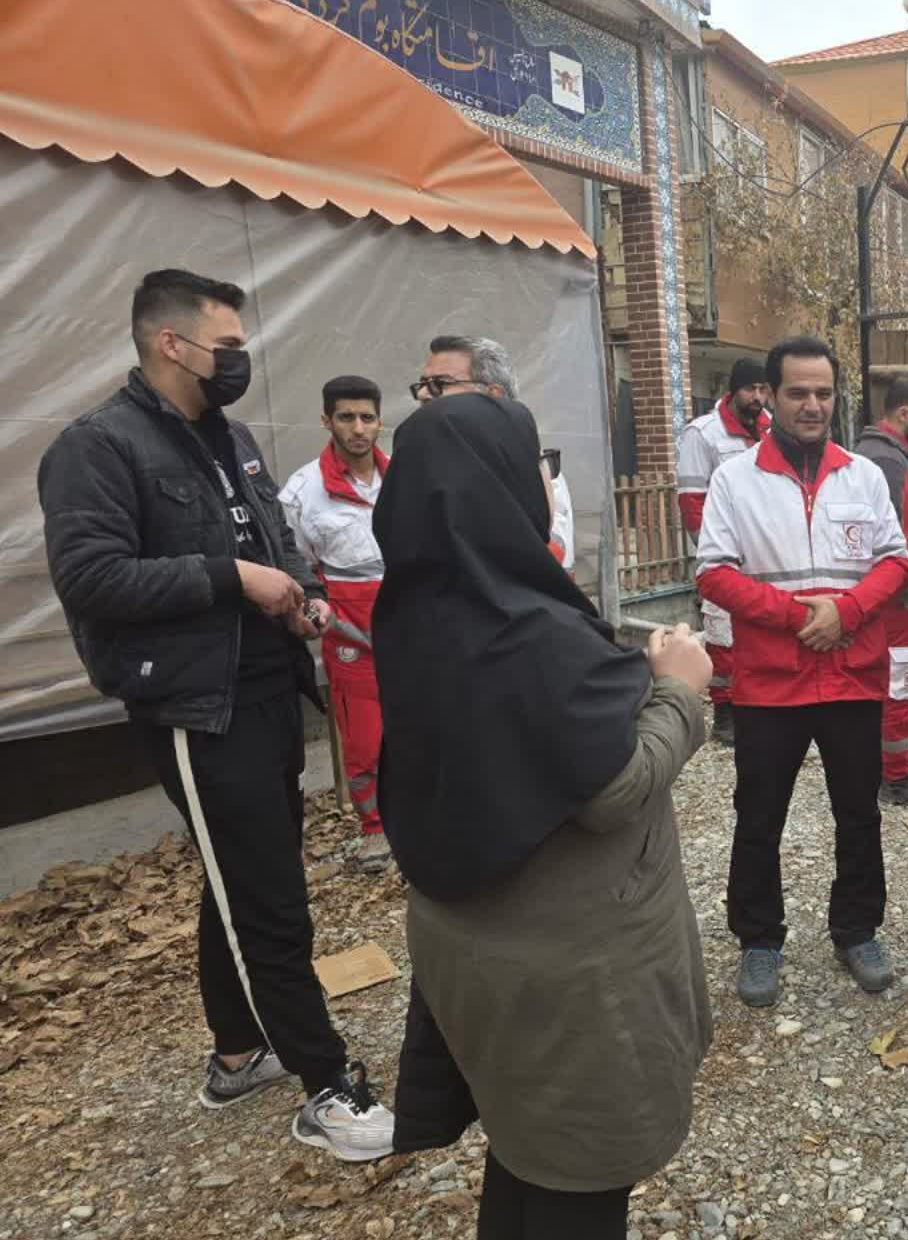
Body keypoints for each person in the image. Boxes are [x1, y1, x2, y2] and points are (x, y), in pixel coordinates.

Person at [37, 269, 394, 1159]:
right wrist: (231, 578)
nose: (240, 359)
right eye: (227, 345)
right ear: (172, 343)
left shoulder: (230, 438)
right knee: (269, 899)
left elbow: (274, 540)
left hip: (269, 688)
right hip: (198, 706)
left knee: (241, 875)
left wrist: (303, 595)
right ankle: (326, 1087)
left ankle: (237, 1054)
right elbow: (91, 578)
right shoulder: (98, 447)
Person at [375, 393, 714, 1240]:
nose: (546, 481)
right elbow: (613, 788)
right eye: (536, 464)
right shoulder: (528, 631)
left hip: (471, 943)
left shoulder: (418, 606)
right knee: (581, 1172)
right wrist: (679, 689)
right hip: (566, 969)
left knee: (525, 1138)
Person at [695, 336, 908, 1008]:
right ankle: (760, 939)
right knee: (759, 815)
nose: (813, 405)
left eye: (823, 392)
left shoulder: (863, 476)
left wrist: (847, 612)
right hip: (771, 679)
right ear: (771, 396)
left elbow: (896, 562)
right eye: (798, 393)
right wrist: (798, 618)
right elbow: (713, 573)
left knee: (859, 812)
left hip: (851, 675)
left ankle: (857, 930)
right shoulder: (736, 479)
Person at [280, 375, 392, 872]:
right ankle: (375, 829)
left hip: (410, 626)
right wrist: (316, 612)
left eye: (367, 417)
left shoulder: (404, 477)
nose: (358, 428)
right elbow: (297, 567)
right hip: (350, 636)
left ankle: (427, 815)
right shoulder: (302, 492)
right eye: (346, 417)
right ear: (327, 420)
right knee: (364, 738)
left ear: (380, 421)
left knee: (427, 723)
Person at [853, 371, 908, 809]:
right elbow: (883, 541)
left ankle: (877, 770)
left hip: (893, 596)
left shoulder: (878, 454)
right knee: (901, 687)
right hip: (898, 600)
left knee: (883, 685)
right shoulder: (887, 462)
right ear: (904, 413)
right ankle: (896, 776)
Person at [411, 334, 576, 569]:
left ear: (493, 395)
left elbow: (548, 558)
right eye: (422, 384)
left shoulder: (539, 473)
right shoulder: (416, 466)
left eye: (440, 384)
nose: (423, 395)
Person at [677, 358, 772, 744]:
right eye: (750, 389)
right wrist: (714, 555)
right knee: (722, 632)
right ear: (733, 391)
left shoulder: (772, 427)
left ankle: (760, 703)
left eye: (763, 390)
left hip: (766, 549)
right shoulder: (703, 435)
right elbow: (692, 501)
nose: (757, 398)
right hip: (725, 551)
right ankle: (725, 711)